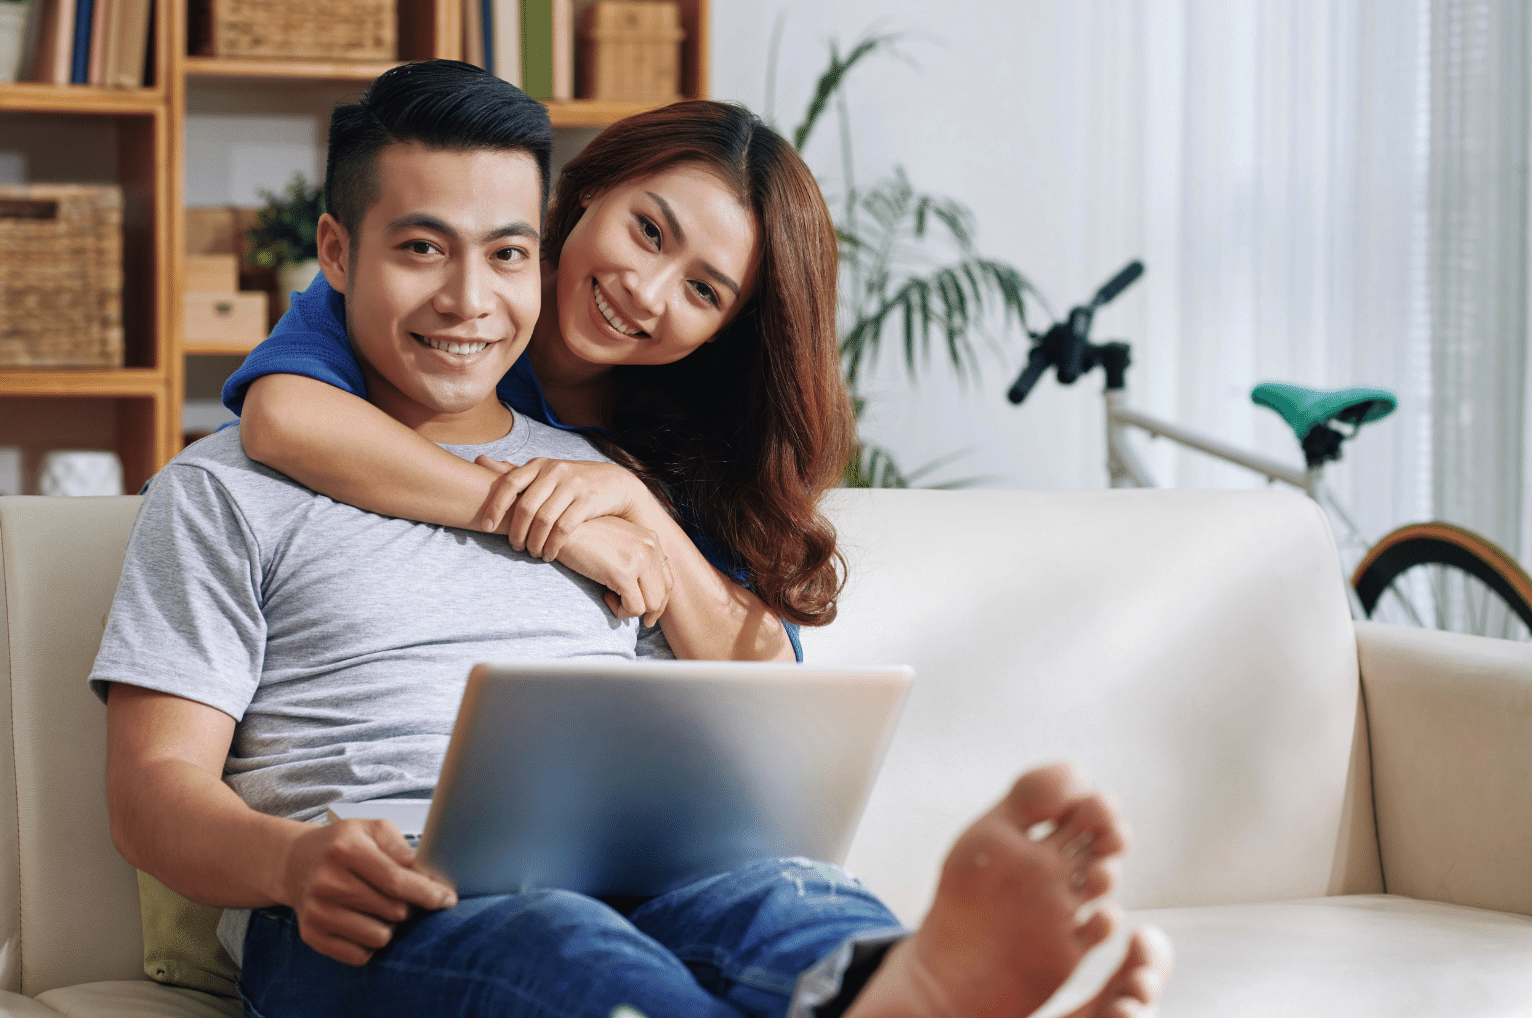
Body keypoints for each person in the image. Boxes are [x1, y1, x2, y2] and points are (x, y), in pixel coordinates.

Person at [95, 61, 1171, 1017]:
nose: (468, 299)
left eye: (503, 253)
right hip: (379, 902)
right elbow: (152, 794)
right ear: (337, 253)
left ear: (537, 247)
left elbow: (756, 704)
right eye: (422, 249)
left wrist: (630, 507)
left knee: (788, 903)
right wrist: (290, 861)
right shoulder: (237, 479)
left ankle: (891, 987)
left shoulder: (620, 480)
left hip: (636, 874)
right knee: (560, 944)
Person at [224, 81, 857, 666]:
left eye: (702, 291)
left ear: (726, 329)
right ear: (592, 188)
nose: (646, 291)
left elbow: (766, 672)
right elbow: (282, 418)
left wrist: (636, 504)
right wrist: (553, 523)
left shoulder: (701, 435)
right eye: (648, 231)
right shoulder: (443, 298)